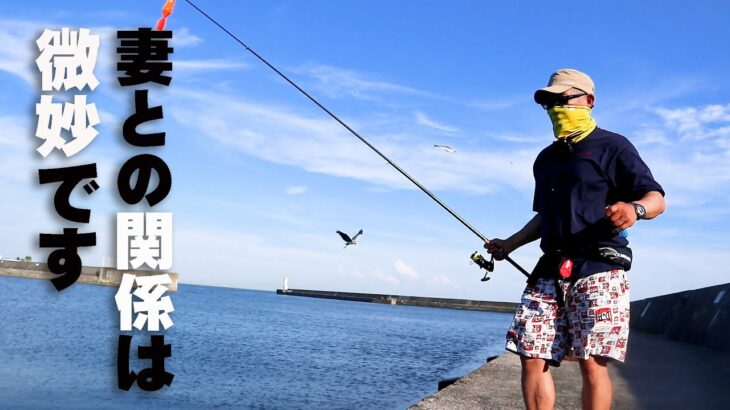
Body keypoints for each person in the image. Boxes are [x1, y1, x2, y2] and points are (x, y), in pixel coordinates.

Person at [485, 68, 666, 410]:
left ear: (589, 101)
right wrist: (509, 244)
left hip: (600, 265)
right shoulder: (546, 159)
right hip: (549, 266)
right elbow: (545, 215)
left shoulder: (614, 146)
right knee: (530, 353)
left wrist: (635, 209)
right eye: (549, 103)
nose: (556, 108)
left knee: (592, 361)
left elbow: (656, 198)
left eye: (564, 99)